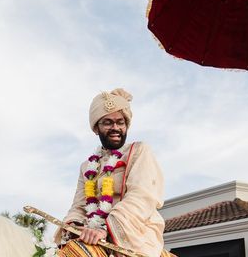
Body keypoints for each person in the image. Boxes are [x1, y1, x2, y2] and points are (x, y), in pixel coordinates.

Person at [54, 88, 165, 257]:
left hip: (135, 234)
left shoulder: (139, 151)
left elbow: (142, 196)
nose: (115, 128)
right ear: (96, 128)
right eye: (107, 123)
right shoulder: (87, 166)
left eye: (120, 122)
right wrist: (73, 226)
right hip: (93, 234)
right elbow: (79, 205)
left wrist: (105, 228)